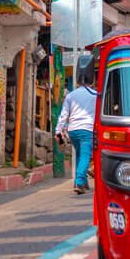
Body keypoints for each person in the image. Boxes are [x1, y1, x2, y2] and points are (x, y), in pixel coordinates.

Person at [56, 60, 98, 195]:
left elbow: (63, 115)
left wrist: (58, 131)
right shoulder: (95, 95)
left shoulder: (71, 95)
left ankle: (84, 182)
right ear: (92, 79)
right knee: (85, 156)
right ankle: (79, 182)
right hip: (87, 130)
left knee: (80, 154)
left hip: (73, 130)